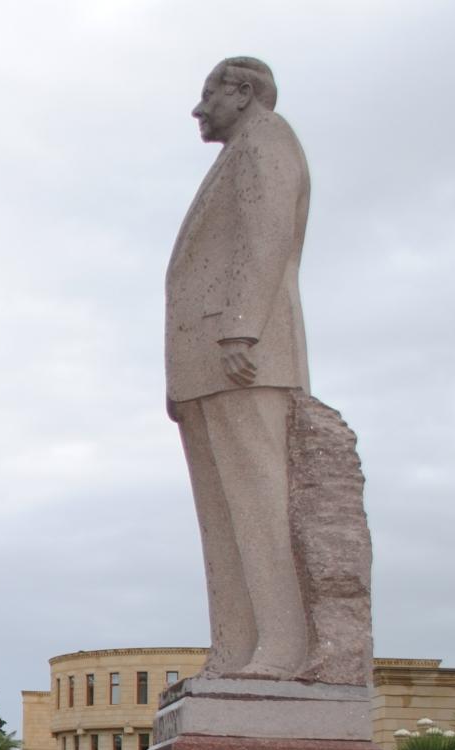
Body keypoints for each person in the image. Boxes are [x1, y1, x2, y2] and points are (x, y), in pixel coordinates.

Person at [165, 56, 311, 679]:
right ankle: (234, 646)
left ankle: (283, 645)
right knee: (223, 516)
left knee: (259, 504)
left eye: (208, 95)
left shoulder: (267, 140)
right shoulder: (234, 154)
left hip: (243, 357)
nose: (199, 110)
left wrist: (241, 326)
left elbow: (266, 232)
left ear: (243, 92)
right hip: (206, 366)